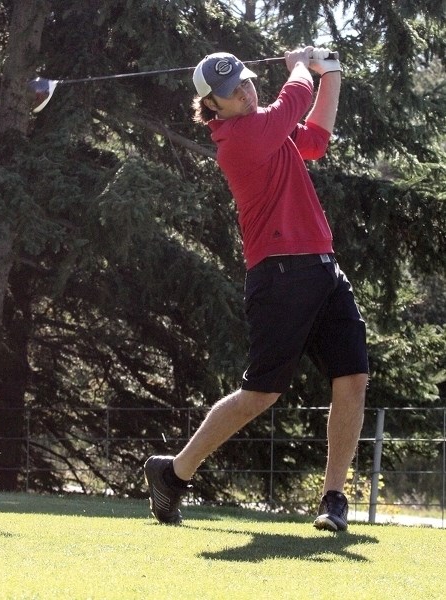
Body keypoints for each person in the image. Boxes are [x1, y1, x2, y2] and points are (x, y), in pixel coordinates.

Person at [144, 47, 368, 532]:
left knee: (352, 377)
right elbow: (291, 104)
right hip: (280, 276)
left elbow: (316, 140)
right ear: (212, 107)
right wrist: (302, 69)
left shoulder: (268, 131)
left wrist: (332, 74)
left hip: (324, 269)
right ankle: (173, 473)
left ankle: (333, 499)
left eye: (245, 82)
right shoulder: (239, 138)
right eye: (231, 92)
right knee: (261, 392)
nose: (245, 92)